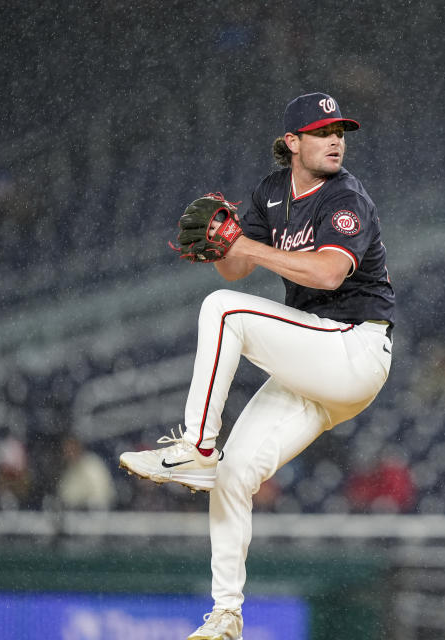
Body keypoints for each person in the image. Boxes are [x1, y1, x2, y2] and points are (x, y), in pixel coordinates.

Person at [119, 92, 394, 640]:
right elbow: (234, 272)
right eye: (322, 131)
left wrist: (245, 244)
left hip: (353, 347)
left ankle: (196, 444)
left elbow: (328, 275)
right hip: (312, 363)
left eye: (340, 130)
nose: (336, 139)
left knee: (223, 315)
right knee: (235, 473)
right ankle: (226, 614)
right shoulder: (272, 193)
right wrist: (224, 247)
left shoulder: (347, 197)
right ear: (292, 142)